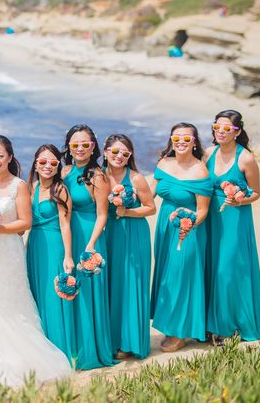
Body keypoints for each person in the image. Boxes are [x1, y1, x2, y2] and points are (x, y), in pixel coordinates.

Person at [0, 135, 72, 386]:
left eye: (0, 155)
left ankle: (20, 359)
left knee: (10, 299)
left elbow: (25, 222)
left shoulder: (19, 185)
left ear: (10, 157)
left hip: (9, 251)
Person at [204, 110, 260, 345]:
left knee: (227, 270)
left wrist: (241, 197)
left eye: (227, 129)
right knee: (211, 268)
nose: (220, 132)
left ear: (237, 132)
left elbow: (257, 193)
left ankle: (227, 326)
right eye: (217, 127)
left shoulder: (246, 159)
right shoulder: (208, 153)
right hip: (210, 218)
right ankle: (210, 324)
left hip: (235, 219)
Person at [150, 123, 212, 352]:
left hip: (188, 230)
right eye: (177, 138)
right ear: (171, 140)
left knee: (181, 276)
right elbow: (149, 194)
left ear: (195, 141)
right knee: (167, 276)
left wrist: (188, 225)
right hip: (165, 227)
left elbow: (203, 210)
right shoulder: (164, 164)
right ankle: (171, 325)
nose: (181, 142)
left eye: (187, 138)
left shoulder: (200, 170)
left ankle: (180, 332)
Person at [62, 125, 115, 369]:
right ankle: (73, 348)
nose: (80, 149)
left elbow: (103, 215)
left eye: (85, 144)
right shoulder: (65, 171)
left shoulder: (98, 175)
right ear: (69, 147)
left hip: (90, 236)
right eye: (75, 145)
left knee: (91, 294)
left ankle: (92, 352)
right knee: (73, 291)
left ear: (93, 147)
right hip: (69, 235)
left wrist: (91, 245)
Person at [102, 135, 156, 360]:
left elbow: (150, 208)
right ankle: (113, 340)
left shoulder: (136, 178)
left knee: (131, 284)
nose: (119, 157)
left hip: (134, 234)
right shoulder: (98, 177)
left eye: (125, 153)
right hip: (110, 235)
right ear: (105, 152)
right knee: (113, 285)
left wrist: (128, 211)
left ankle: (131, 341)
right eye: (115, 152)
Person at [25, 144, 77, 363]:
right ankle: (42, 349)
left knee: (53, 298)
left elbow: (66, 225)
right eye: (43, 162)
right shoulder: (32, 186)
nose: (47, 166)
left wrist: (68, 256)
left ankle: (61, 351)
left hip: (54, 246)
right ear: (35, 163)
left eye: (53, 163)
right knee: (37, 296)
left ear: (58, 167)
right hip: (34, 245)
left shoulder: (60, 190)